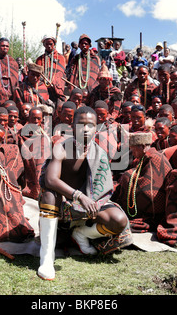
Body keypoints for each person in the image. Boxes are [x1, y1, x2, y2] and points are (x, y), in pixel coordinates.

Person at [37, 106, 131, 280]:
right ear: (72, 126)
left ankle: (82, 234)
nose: (86, 129)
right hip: (62, 209)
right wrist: (79, 196)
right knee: (49, 194)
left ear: (97, 127)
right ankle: (46, 259)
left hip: (87, 208)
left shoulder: (99, 153)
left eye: (91, 125)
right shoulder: (62, 147)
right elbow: (50, 180)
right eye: (81, 124)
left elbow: (102, 189)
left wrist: (90, 201)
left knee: (118, 220)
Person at [113, 132, 172, 233]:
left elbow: (150, 189)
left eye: (133, 148)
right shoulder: (143, 159)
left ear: (143, 146)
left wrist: (128, 176)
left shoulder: (155, 158)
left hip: (154, 214)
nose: (131, 151)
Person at [36, 35, 67, 106]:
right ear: (44, 45)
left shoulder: (61, 58)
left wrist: (55, 82)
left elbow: (62, 74)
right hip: (44, 89)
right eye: (47, 44)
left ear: (54, 44)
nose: (49, 46)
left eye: (51, 44)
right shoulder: (40, 59)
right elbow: (38, 75)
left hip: (57, 90)